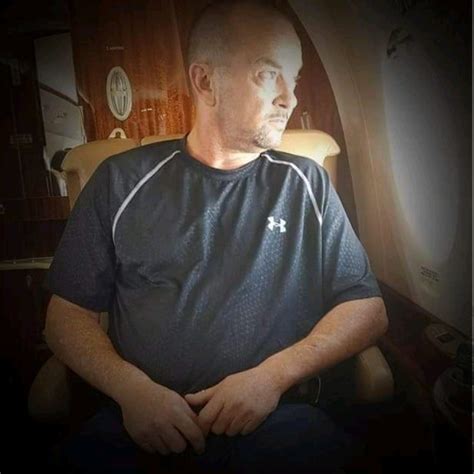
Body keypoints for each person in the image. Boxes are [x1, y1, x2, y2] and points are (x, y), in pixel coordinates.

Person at [42, 1, 388, 472]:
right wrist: (132, 391)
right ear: (205, 81)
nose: (290, 98)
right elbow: (65, 317)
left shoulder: (307, 184)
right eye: (269, 74)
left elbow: (367, 309)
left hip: (278, 420)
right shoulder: (119, 182)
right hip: (140, 422)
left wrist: (272, 377)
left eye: (294, 78)